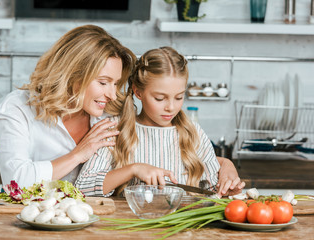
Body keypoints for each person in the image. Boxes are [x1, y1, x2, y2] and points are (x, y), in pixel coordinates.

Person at [75, 46, 245, 197]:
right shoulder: (114, 130)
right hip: (131, 228)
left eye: (179, 97)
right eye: (159, 98)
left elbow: (214, 189)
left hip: (183, 230)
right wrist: (133, 169)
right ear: (138, 92)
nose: (171, 107)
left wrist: (226, 188)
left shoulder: (192, 132)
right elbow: (82, 188)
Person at [0, 25, 136, 188]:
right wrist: (77, 155)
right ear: (72, 75)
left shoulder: (110, 115)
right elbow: (15, 181)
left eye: (116, 83)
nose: (112, 95)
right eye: (103, 82)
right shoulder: (19, 107)